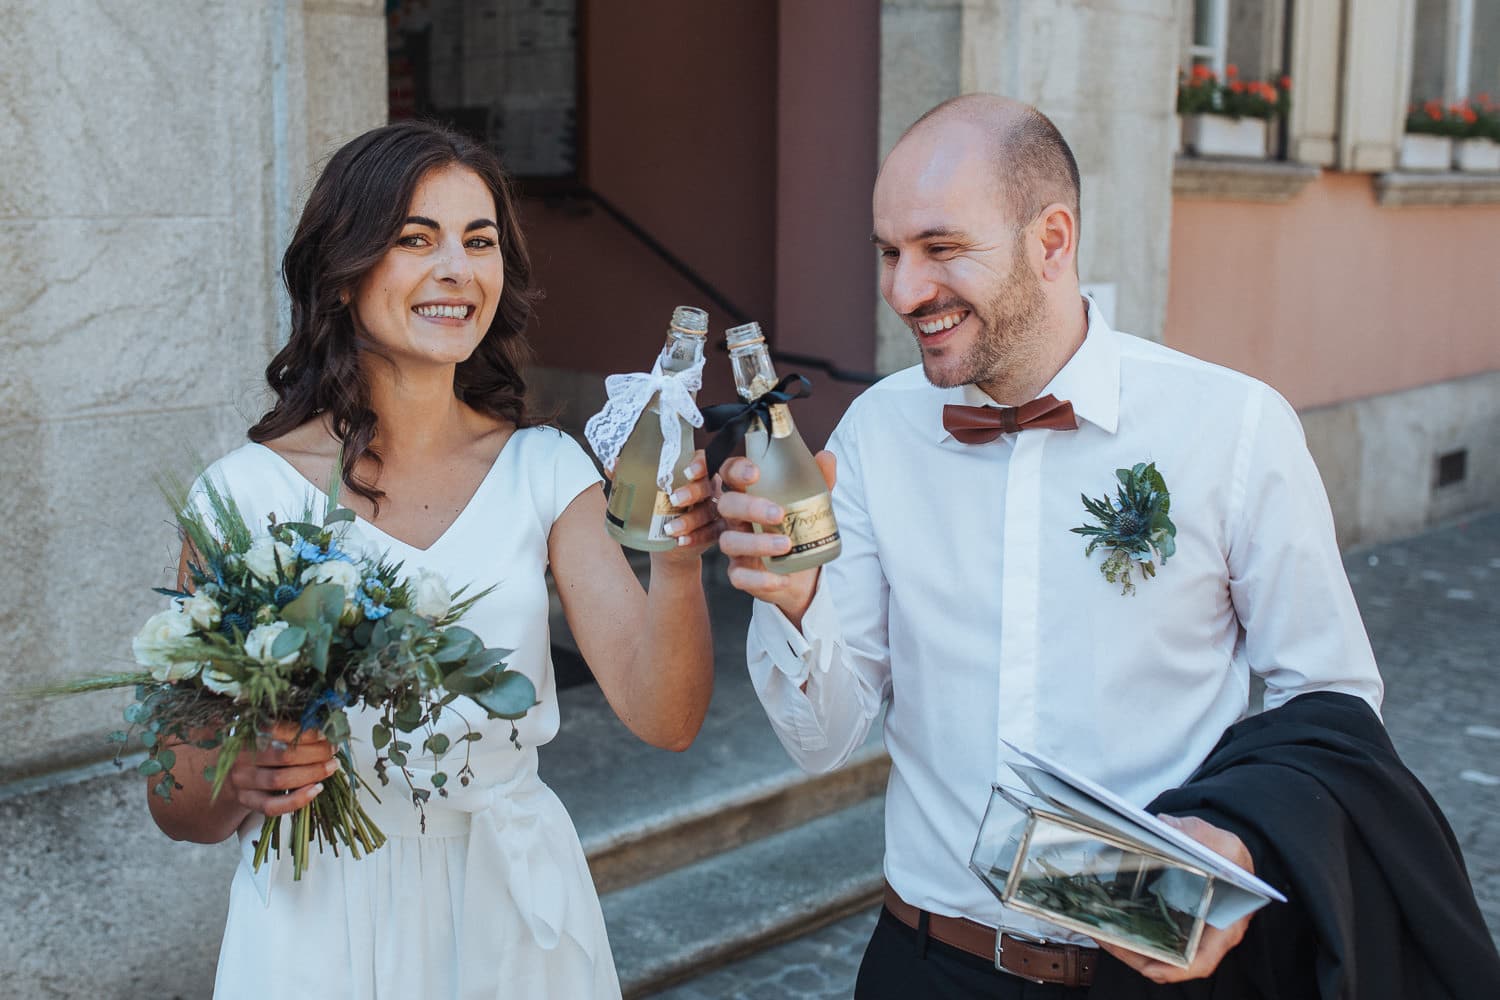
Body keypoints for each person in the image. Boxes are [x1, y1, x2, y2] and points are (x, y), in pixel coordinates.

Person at [716, 94, 1389, 997]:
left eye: (941, 248)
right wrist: (796, 605)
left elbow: (1332, 697)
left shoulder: (1230, 426)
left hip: (1149, 961)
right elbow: (824, 740)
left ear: (1052, 240)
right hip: (929, 962)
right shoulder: (877, 432)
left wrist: (1237, 842)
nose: (904, 291)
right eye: (889, 253)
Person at [145, 121, 722, 999]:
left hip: (515, 908)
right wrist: (247, 778)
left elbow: (665, 719)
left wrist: (678, 561)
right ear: (341, 275)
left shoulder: (547, 470)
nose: (458, 267)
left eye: (479, 241)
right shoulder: (240, 496)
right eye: (417, 238)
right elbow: (176, 805)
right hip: (316, 912)